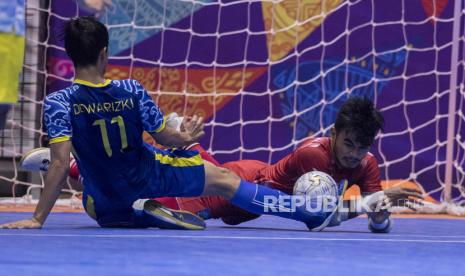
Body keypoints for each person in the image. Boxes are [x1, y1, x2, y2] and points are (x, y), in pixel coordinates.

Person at [0, 16, 341, 230]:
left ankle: (133, 210)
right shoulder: (131, 90)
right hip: (149, 178)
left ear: (72, 56)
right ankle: (305, 213)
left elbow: (57, 164)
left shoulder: (59, 102)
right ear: (105, 53)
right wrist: (185, 136)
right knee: (223, 178)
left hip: (101, 205)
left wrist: (37, 218)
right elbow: (167, 138)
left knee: (87, 178)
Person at [20, 97, 423, 232]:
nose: (354, 154)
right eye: (349, 144)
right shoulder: (313, 156)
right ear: (334, 133)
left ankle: (79, 168)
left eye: (362, 147)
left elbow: (375, 222)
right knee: (164, 197)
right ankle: (77, 167)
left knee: (174, 166)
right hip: (243, 192)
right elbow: (318, 218)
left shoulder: (365, 163)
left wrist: (380, 212)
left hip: (248, 189)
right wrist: (371, 203)